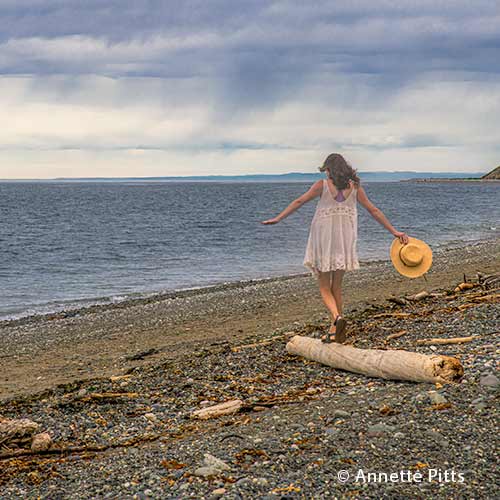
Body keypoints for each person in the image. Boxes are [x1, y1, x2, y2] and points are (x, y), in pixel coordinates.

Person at [261, 153, 409, 343]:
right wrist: (393, 231)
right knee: (336, 286)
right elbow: (373, 210)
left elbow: (299, 201)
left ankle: (337, 319)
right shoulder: (354, 187)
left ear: (329, 169)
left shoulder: (321, 185)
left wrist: (278, 218)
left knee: (324, 285)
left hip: (323, 238)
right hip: (344, 239)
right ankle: (336, 330)